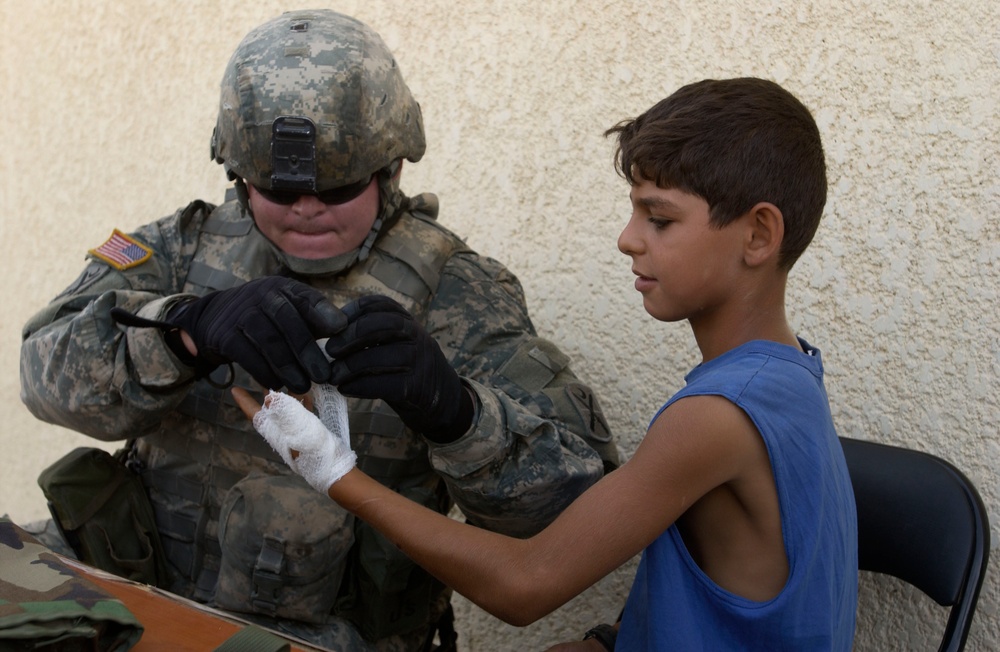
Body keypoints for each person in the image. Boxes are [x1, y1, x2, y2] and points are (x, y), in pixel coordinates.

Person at [19, 9, 618, 651]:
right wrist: (181, 332)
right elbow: (41, 371)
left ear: (392, 169)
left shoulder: (458, 290)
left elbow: (574, 509)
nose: (306, 208)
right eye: (277, 188)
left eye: (336, 187)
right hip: (143, 602)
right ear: (238, 176)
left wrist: (458, 414)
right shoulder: (180, 249)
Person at [234, 77, 859, 651]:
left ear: (758, 236)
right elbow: (740, 593)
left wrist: (328, 465)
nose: (628, 238)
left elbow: (524, 585)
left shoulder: (716, 416)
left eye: (659, 217)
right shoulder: (788, 374)